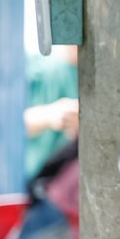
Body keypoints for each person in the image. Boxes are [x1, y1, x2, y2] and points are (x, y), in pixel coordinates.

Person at [23, 45, 78, 180]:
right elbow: (8, 126)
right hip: (30, 178)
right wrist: (50, 115)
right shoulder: (38, 69)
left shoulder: (98, 75)